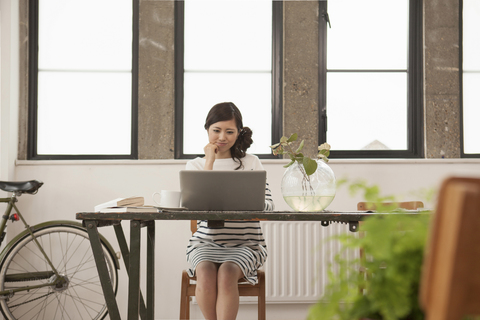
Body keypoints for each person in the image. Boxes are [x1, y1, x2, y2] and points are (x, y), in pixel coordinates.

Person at [185, 102, 274, 320]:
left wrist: (248, 200)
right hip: (205, 243)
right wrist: (210, 161)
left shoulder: (251, 163)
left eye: (229, 131)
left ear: (238, 133)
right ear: (207, 129)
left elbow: (269, 206)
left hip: (246, 245)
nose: (222, 137)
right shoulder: (196, 165)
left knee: (226, 274)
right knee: (205, 273)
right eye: (216, 130)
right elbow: (194, 207)